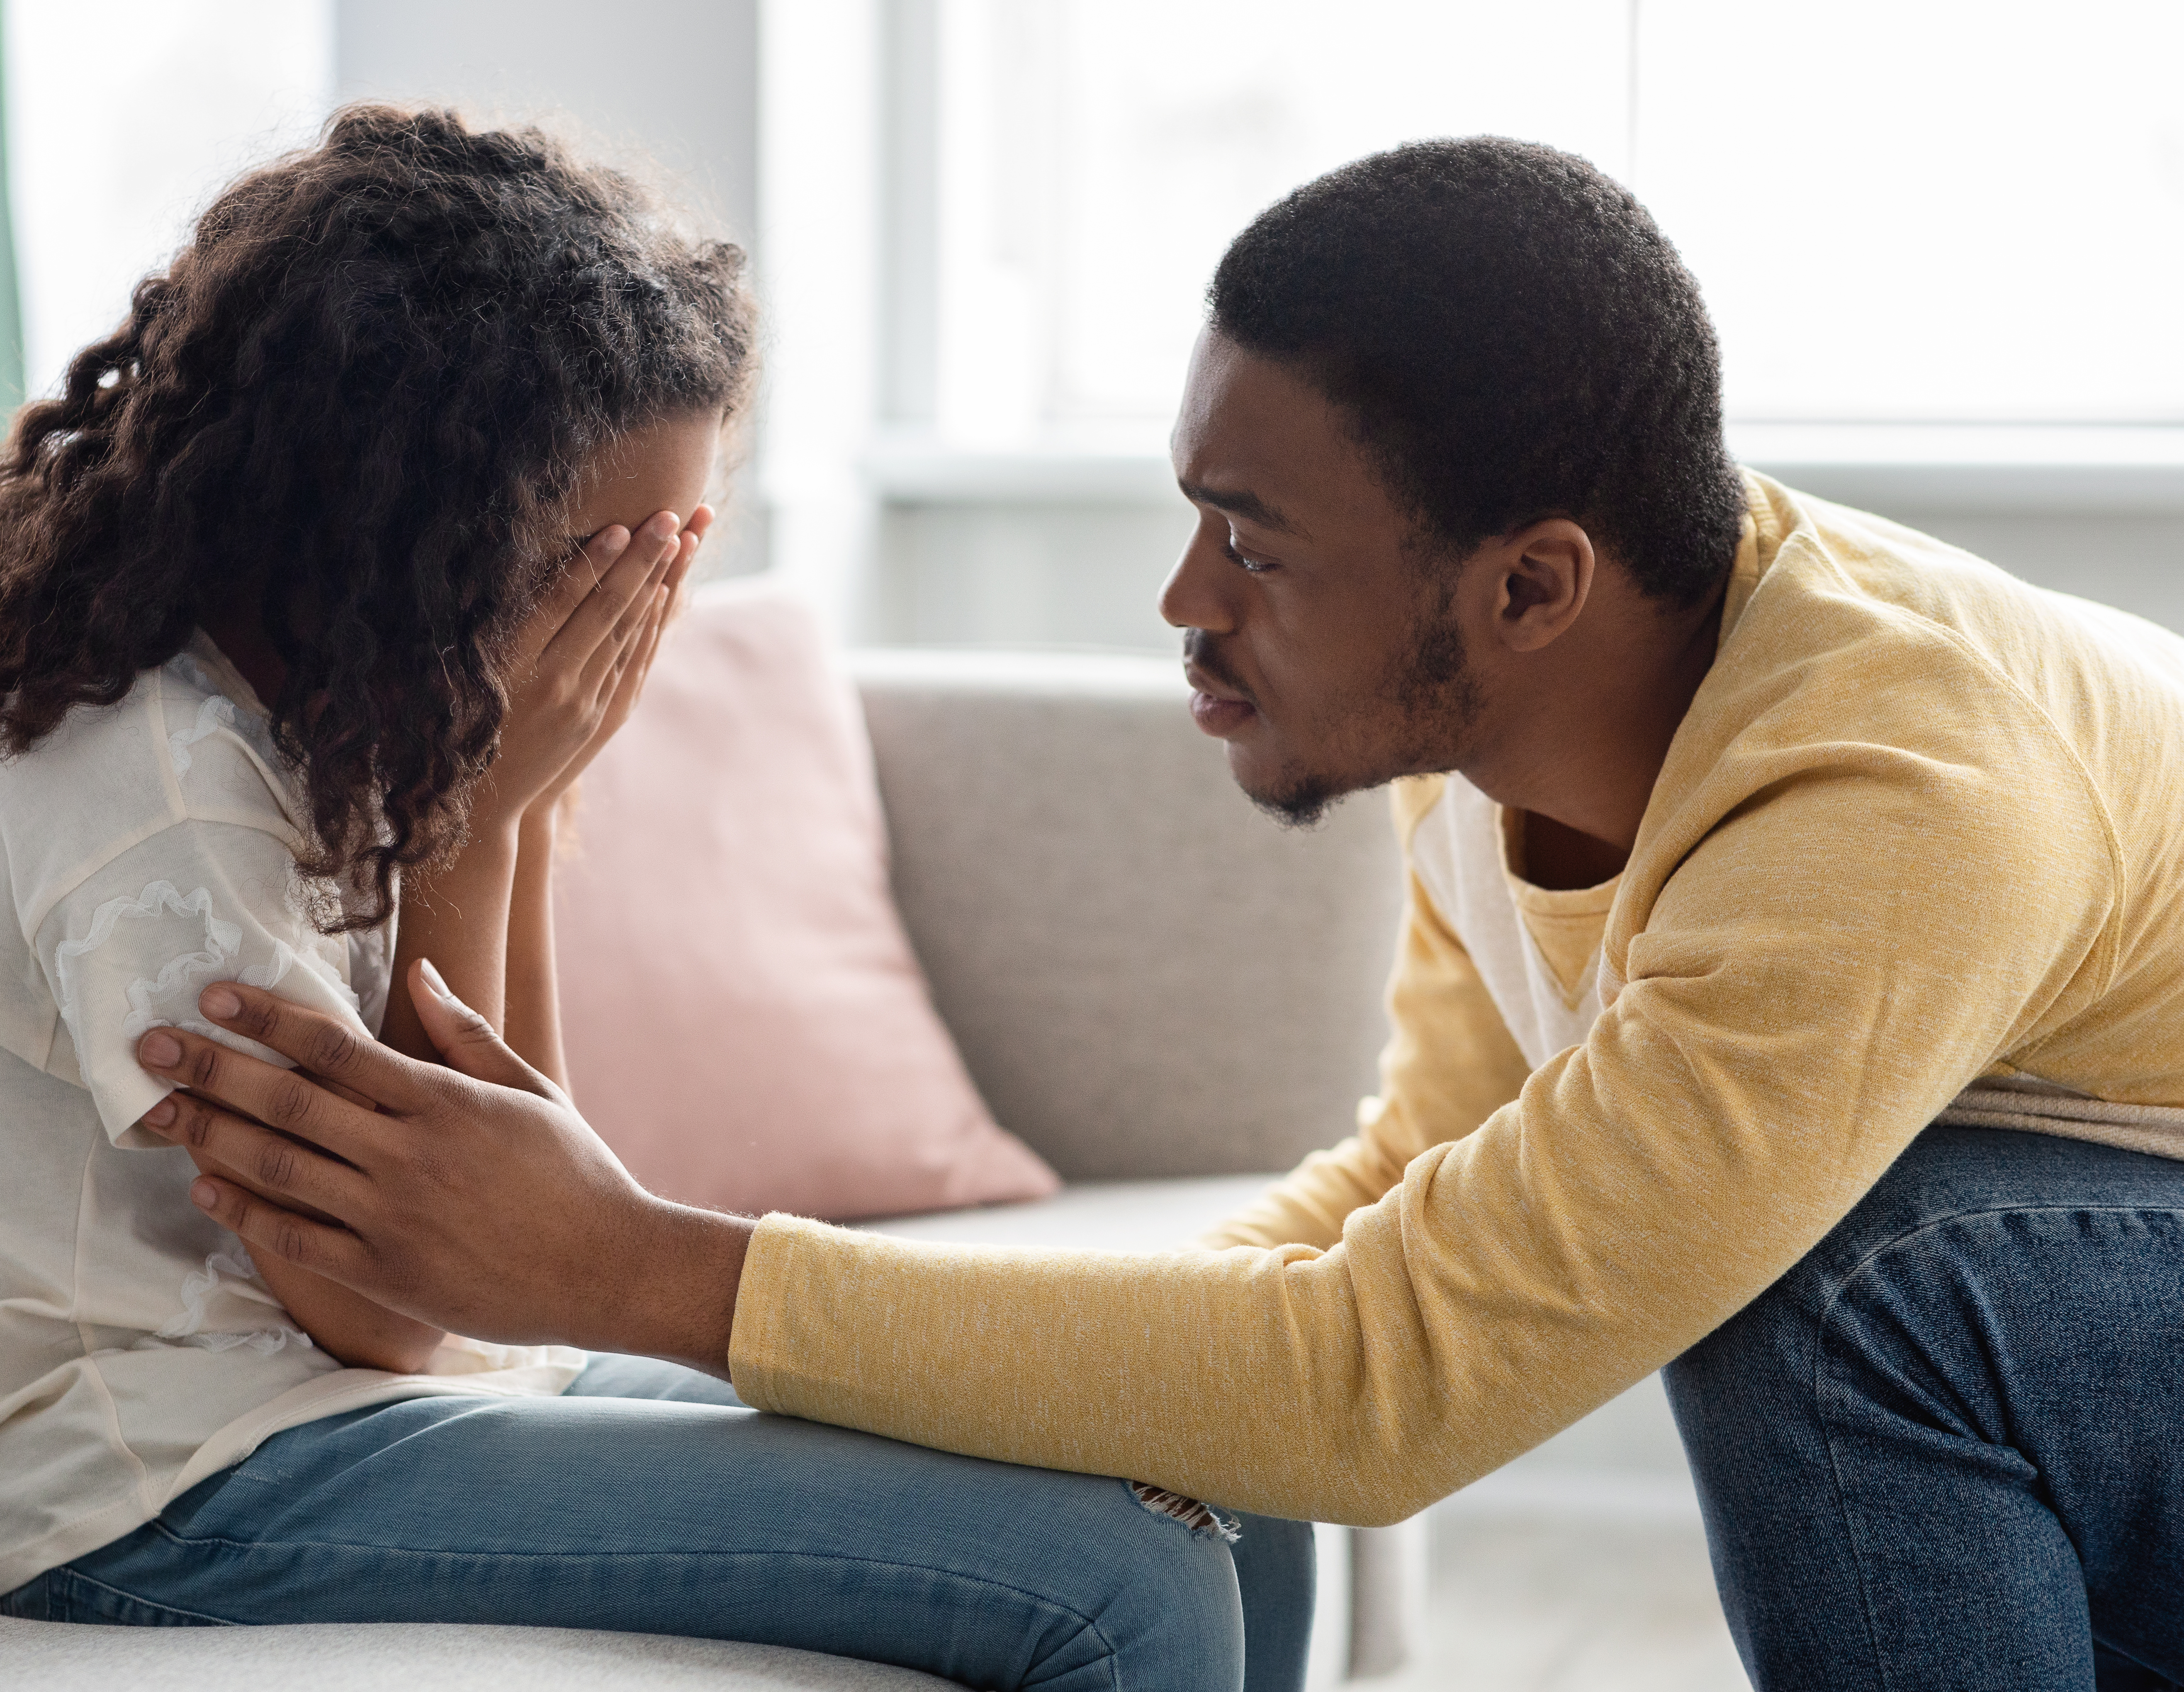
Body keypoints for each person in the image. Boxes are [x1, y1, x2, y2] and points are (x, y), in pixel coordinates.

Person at [142, 136, 2184, 1692]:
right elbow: (1406, 1196)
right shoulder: (1518, 736)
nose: (1185, 609)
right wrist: (1105, 1380)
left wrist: (642, 1269)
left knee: (1854, 1291)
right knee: (1199, 1414)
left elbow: (1394, 1386)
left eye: (1255, 545)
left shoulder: (1892, 797)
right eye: (1194, 513)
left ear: (1529, 588)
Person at [0, 104, 1315, 1689]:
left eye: (665, 561)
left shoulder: (316, 720)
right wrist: (480, 810)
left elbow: (505, 1185)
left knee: (1226, 1470)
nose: (624, 618)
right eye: (594, 564)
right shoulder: (153, 789)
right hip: (178, 1503)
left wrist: (513, 800)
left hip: (410, 1398)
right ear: (401, 516)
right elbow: (391, 1306)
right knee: (1124, 1574)